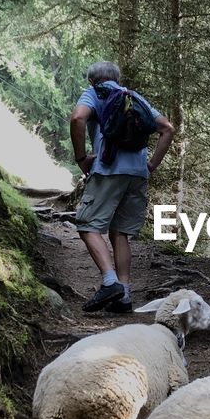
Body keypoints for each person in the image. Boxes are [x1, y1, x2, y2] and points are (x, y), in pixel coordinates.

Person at [69, 60, 175, 313]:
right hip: (137, 174)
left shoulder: (95, 92)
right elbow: (167, 129)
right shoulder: (132, 96)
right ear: (117, 77)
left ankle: (109, 282)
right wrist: (151, 165)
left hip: (108, 170)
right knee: (120, 232)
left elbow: (77, 119)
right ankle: (124, 297)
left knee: (87, 225)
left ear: (92, 80)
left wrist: (81, 158)